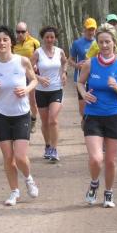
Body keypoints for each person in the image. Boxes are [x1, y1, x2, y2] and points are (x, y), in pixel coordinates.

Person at [76, 23, 117, 208]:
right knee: (96, 158)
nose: (104, 45)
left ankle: (108, 192)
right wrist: (84, 94)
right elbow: (80, 82)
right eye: (101, 42)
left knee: (110, 161)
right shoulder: (90, 63)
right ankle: (94, 184)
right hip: (93, 115)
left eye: (107, 41)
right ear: (97, 44)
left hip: (114, 116)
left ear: (114, 43)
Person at [0, 25, 39, 206]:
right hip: (1, 115)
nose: (2, 43)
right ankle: (14, 192)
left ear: (11, 42)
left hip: (21, 114)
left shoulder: (22, 61)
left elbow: (34, 80)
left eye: (5, 40)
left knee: (20, 157)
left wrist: (26, 89)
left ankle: (28, 178)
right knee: (8, 158)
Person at [31, 26, 67, 162]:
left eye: (52, 37)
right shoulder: (37, 53)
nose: (49, 39)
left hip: (56, 89)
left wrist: (64, 73)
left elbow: (65, 62)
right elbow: (28, 70)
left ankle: (54, 149)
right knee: (45, 122)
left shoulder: (60, 51)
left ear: (55, 38)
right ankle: (47, 146)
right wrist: (39, 78)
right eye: (47, 37)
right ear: (43, 38)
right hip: (41, 91)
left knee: (53, 120)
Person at [12, 21, 41, 133]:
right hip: (17, 75)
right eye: (18, 32)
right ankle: (19, 121)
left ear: (27, 32)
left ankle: (33, 119)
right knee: (17, 98)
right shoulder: (12, 43)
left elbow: (40, 57)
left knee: (32, 100)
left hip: (30, 74)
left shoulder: (35, 42)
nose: (20, 34)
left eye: (22, 32)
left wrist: (36, 65)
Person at [69, 18, 97, 118]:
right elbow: (70, 60)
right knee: (83, 106)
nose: (91, 32)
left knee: (94, 102)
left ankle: (91, 122)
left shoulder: (99, 43)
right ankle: (84, 120)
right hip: (81, 78)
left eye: (93, 29)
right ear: (84, 29)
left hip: (95, 77)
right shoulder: (77, 43)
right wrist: (76, 65)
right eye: (89, 29)